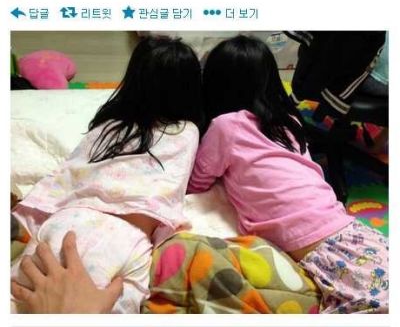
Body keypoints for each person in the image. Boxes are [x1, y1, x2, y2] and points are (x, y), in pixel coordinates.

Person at [187, 35, 388, 314]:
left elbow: (197, 182)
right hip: (348, 227)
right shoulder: (289, 120)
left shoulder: (225, 126)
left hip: (318, 246)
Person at [11, 37, 203, 314]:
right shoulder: (186, 131)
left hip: (65, 222)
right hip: (126, 237)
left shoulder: (107, 126)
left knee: (19, 297)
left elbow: (70, 170)